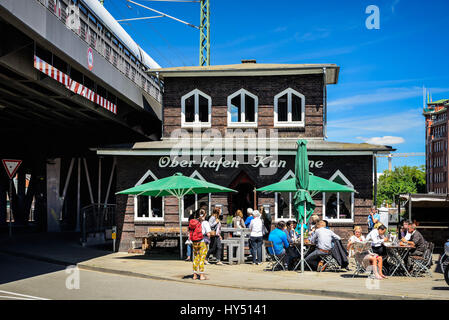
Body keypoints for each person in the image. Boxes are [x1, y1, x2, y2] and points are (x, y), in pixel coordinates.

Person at [190, 209, 211, 280]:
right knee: (202, 258)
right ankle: (201, 275)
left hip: (195, 242)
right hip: (202, 242)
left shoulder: (194, 222)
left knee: (196, 257)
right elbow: (208, 234)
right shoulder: (205, 223)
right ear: (205, 215)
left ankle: (194, 275)